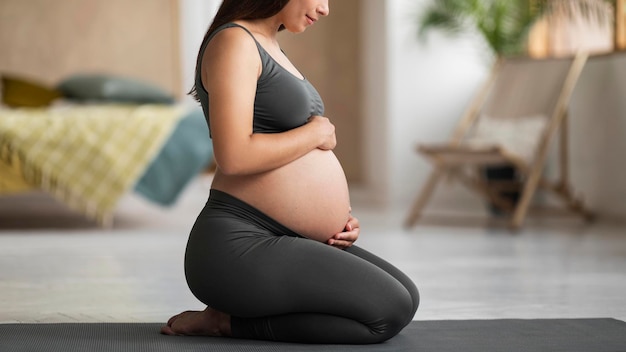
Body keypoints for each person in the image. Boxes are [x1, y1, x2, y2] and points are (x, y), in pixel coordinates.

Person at [161, 0, 419, 344]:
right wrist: (314, 134)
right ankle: (225, 322)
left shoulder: (268, 44)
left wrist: (334, 218)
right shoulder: (234, 41)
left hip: (281, 236)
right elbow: (233, 156)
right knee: (390, 309)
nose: (325, 9)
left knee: (408, 295)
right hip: (238, 244)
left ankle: (234, 314)